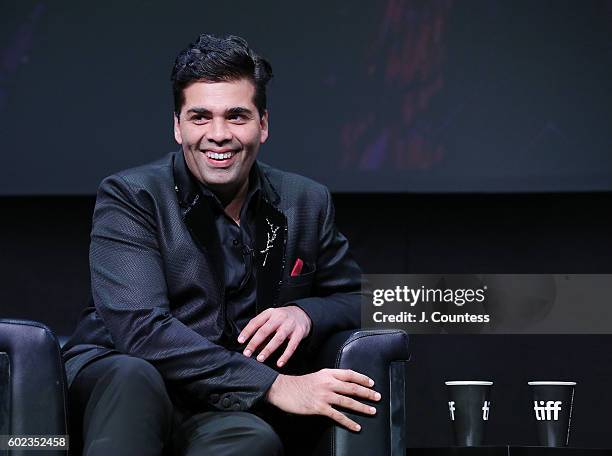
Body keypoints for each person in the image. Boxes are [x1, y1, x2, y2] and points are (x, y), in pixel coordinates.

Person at [62, 34, 380, 456]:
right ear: (177, 126)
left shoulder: (306, 200)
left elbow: (361, 297)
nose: (218, 135)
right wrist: (274, 385)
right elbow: (141, 330)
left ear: (262, 124)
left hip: (220, 399)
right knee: (133, 376)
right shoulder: (133, 195)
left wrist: (305, 312)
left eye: (236, 116)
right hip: (122, 379)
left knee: (254, 440)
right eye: (199, 117)